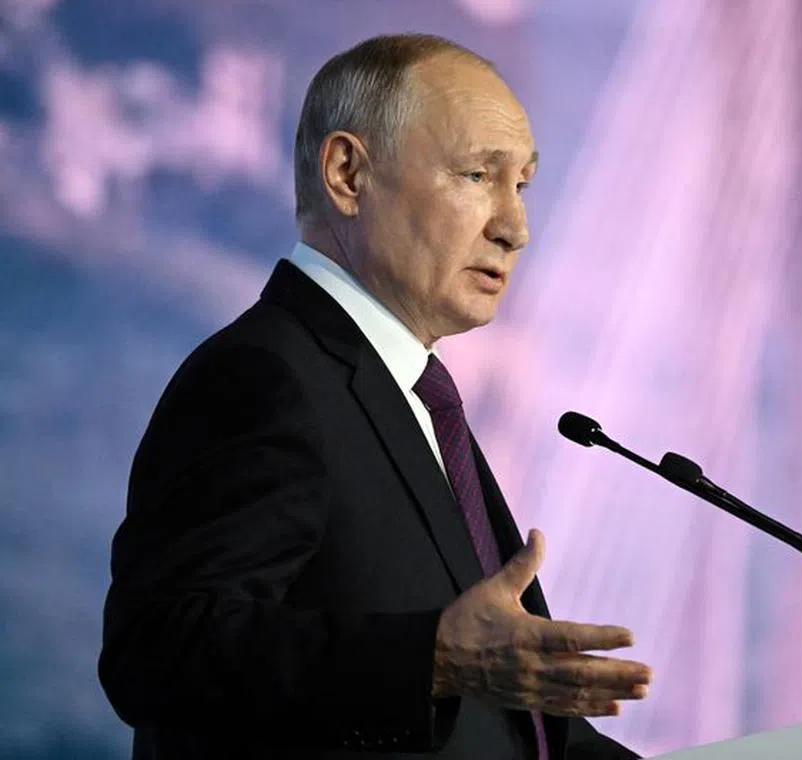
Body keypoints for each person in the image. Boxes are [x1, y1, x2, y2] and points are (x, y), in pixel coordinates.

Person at [99, 33, 653, 759]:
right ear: (348, 174)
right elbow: (159, 652)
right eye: (477, 175)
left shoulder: (416, 399)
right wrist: (434, 660)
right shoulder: (262, 379)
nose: (515, 228)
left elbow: (524, 733)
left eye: (521, 185)